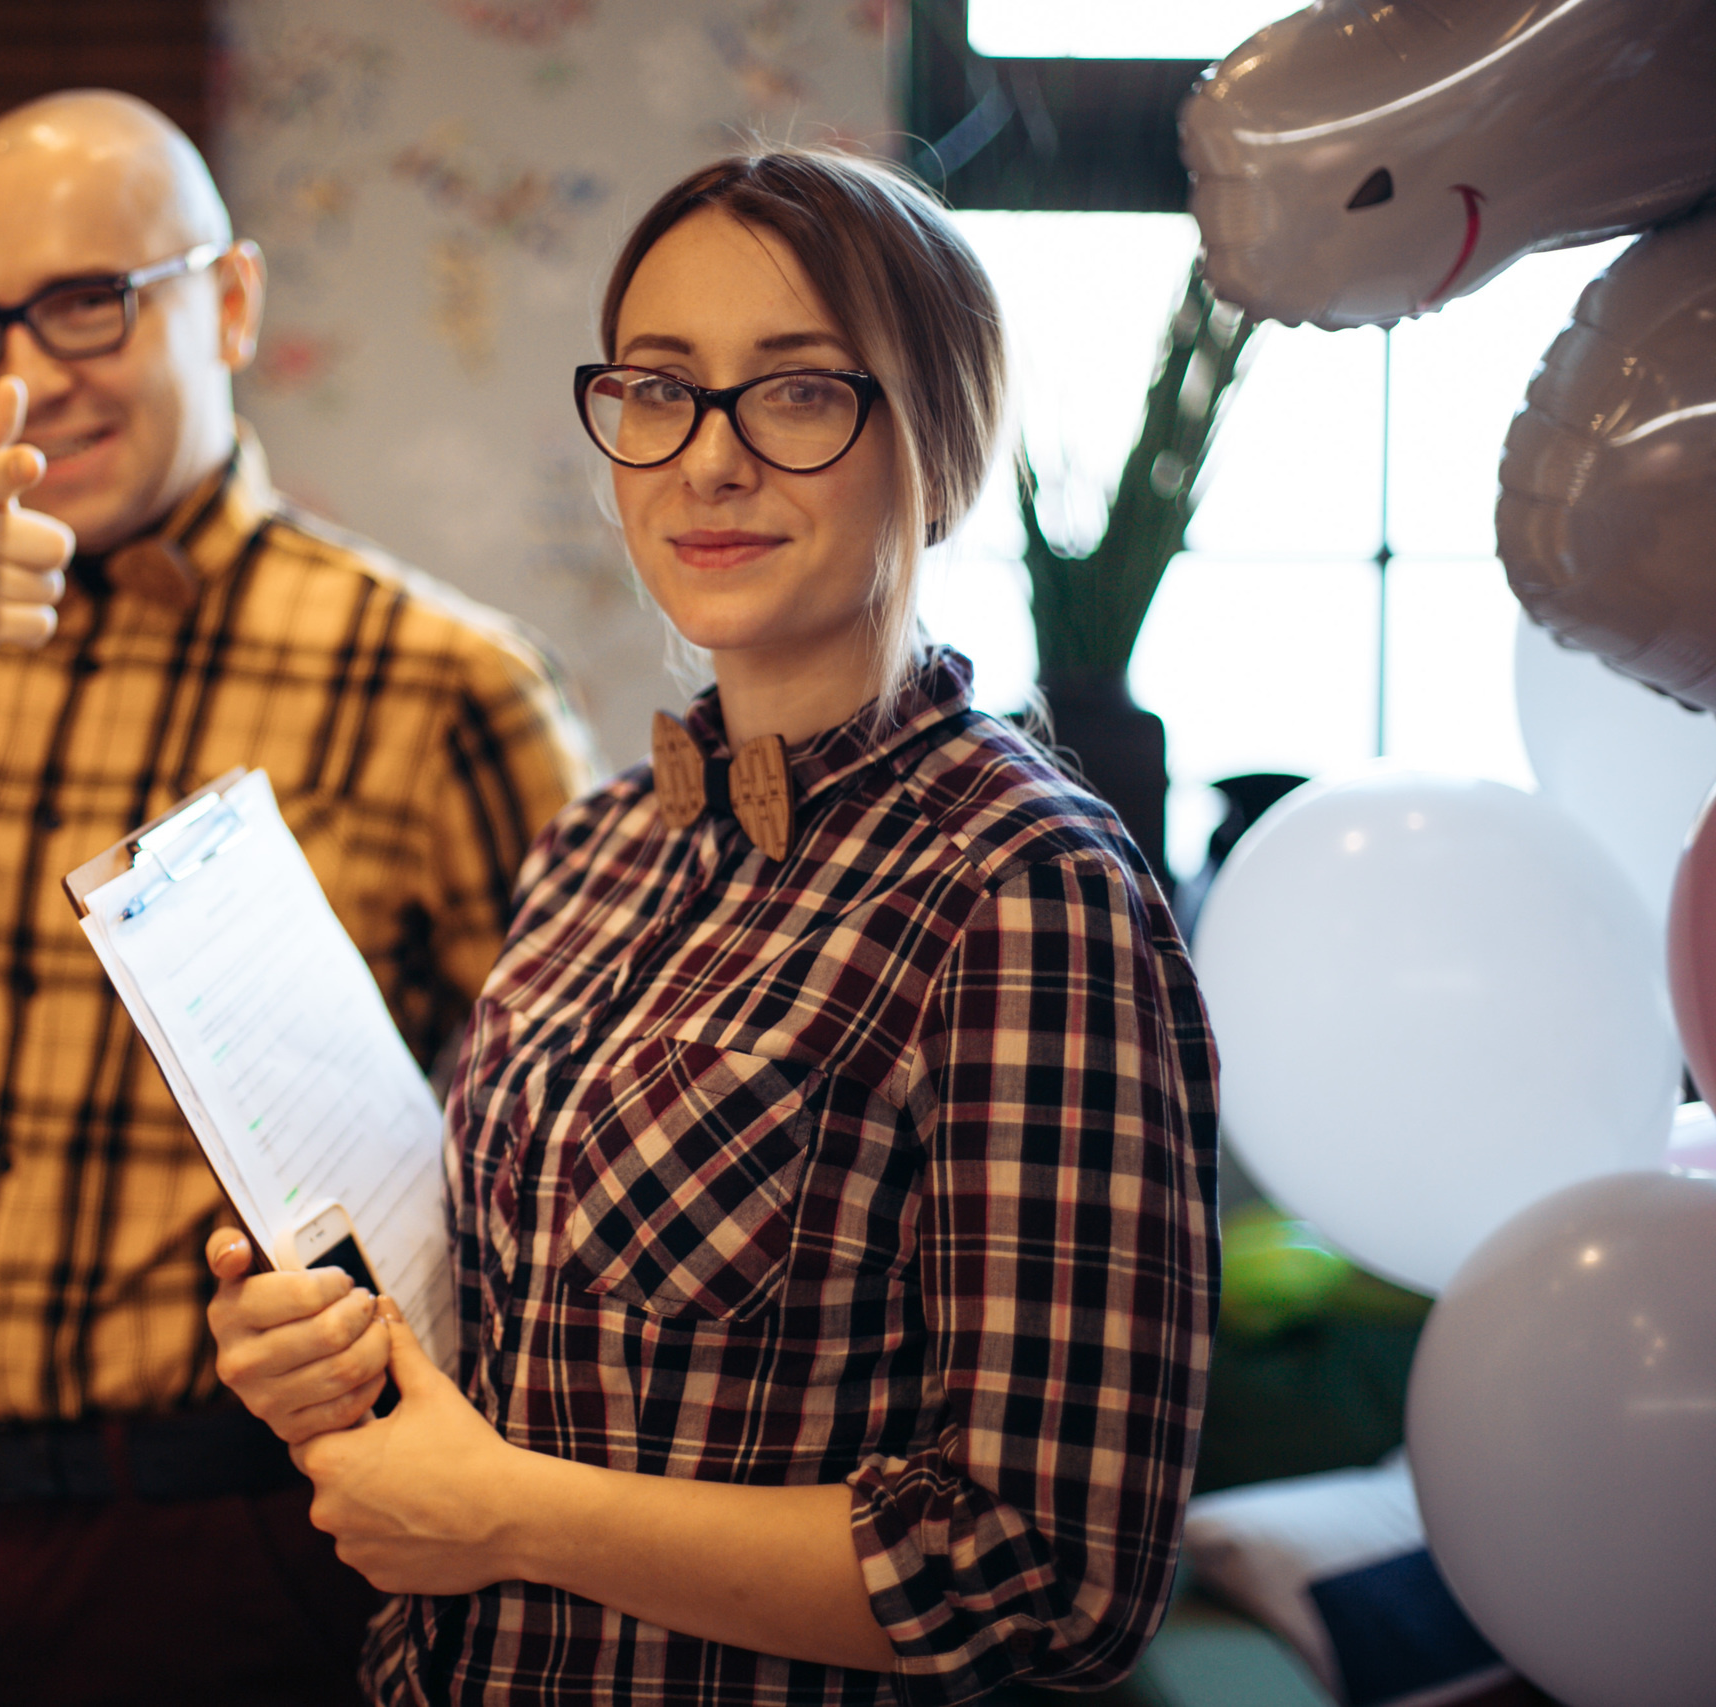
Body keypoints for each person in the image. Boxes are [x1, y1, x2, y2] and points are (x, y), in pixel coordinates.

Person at [207, 148, 1220, 1705]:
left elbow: (1046, 1572)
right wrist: (337, 1360)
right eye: (659, 390)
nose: (708, 462)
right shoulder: (599, 845)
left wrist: (510, 1516)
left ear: (938, 449)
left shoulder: (1021, 891)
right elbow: (518, 1340)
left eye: (801, 393)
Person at [0, 90, 593, 1707]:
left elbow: (574, 1170)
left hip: (242, 1541)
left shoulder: (444, 684)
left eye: (92, 299)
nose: (31, 374)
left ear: (229, 302)